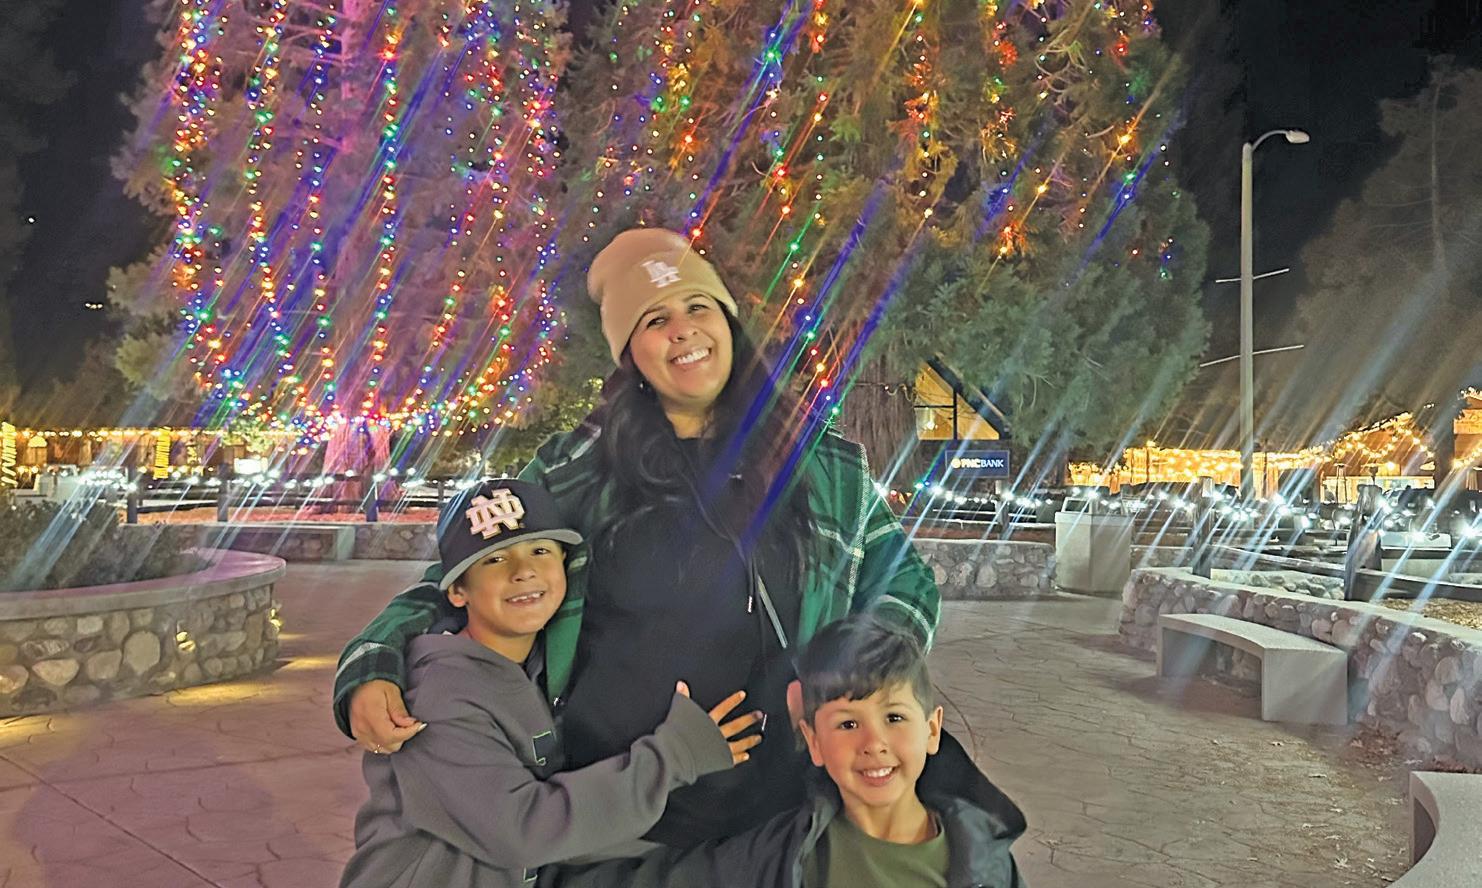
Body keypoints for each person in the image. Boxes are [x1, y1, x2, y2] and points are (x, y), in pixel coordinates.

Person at [334, 227, 985, 845]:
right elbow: (463, 576)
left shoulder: (819, 464)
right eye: (654, 320)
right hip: (617, 812)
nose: (683, 330)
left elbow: (904, 578)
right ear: (631, 355)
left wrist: (853, 674)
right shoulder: (576, 469)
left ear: (727, 324)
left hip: (780, 807)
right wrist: (372, 663)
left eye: (698, 307)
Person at [339, 479, 761, 888]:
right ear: (457, 591)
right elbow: (523, 829)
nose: (523, 571)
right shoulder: (438, 695)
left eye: (540, 550)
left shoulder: (533, 666)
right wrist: (674, 756)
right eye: (495, 559)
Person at [547, 615, 1027, 887]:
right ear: (813, 742)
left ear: (932, 730)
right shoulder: (783, 854)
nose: (873, 743)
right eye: (847, 723)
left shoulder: (987, 861)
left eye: (895, 718)